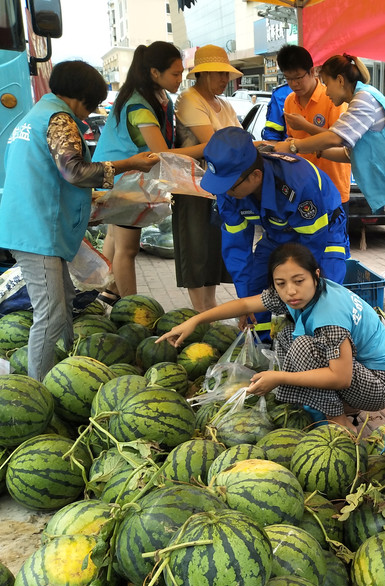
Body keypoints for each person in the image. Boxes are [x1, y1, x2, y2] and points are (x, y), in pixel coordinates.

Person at [0, 61, 158, 381]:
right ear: (81, 97)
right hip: (36, 231)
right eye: (93, 104)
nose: (90, 113)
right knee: (52, 314)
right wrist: (130, 163)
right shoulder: (60, 119)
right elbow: (74, 171)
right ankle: (39, 388)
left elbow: (49, 175)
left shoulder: (34, 116)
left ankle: (69, 367)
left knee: (66, 301)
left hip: (31, 225)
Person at [159, 243, 385, 427]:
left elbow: (341, 378)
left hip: (379, 386)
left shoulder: (329, 318)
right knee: (288, 334)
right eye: (281, 283)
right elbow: (244, 305)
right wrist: (196, 319)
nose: (290, 290)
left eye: (298, 281)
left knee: (302, 346)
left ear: (315, 275)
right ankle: (339, 405)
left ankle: (337, 420)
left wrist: (280, 378)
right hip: (358, 371)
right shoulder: (302, 294)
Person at [275, 54, 385, 303]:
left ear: (340, 80)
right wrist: (304, 149)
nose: (326, 92)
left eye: (326, 84)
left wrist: (294, 146)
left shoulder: (365, 98)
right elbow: (347, 152)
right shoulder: (356, 104)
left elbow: (335, 137)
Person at [93, 41, 200, 302]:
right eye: (175, 73)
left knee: (115, 238)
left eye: (182, 72)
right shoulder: (139, 105)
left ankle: (108, 291)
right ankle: (131, 307)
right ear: (155, 72)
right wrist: (207, 148)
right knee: (127, 249)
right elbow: (162, 154)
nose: (180, 78)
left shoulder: (156, 96)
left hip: (121, 181)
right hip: (121, 182)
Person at [201, 126, 348, 311]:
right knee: (255, 288)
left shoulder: (299, 184)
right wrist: (245, 304)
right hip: (277, 234)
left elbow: (312, 246)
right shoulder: (229, 191)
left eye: (230, 186)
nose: (224, 193)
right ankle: (261, 339)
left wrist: (292, 288)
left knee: (322, 297)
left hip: (324, 235)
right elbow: (236, 248)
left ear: (255, 176)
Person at [173, 44, 241, 312]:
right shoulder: (189, 100)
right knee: (196, 248)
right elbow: (215, 143)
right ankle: (201, 312)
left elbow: (239, 138)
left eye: (226, 74)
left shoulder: (222, 103)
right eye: (218, 74)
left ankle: (210, 308)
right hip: (193, 188)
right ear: (201, 74)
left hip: (220, 188)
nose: (225, 80)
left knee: (213, 249)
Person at [276, 45, 351, 217]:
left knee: (334, 241)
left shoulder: (332, 97)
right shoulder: (289, 101)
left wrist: (304, 126)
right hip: (302, 186)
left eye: (298, 78)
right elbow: (293, 139)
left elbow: (339, 138)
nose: (294, 84)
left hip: (333, 184)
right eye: (288, 79)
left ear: (312, 71)